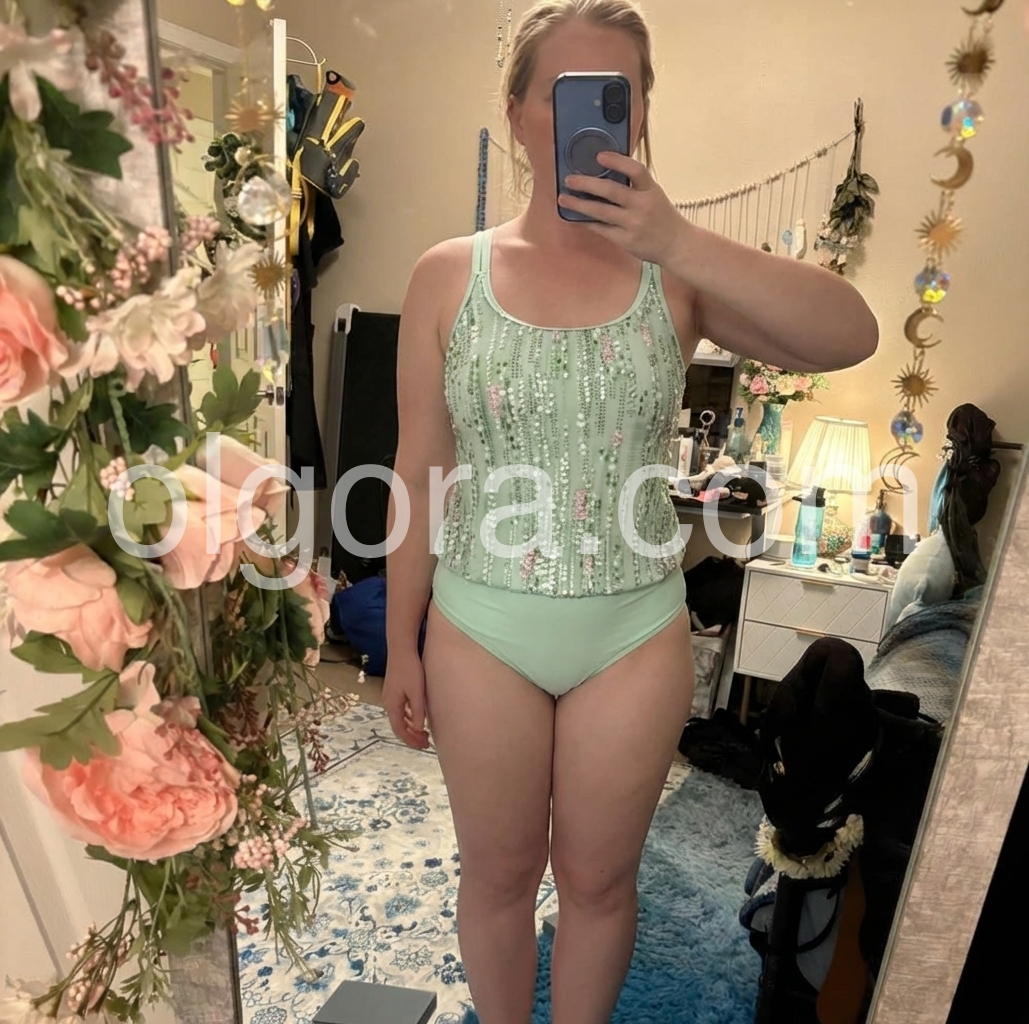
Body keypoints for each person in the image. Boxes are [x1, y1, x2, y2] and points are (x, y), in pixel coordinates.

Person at [383, 2, 878, 1022]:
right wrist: (399, 641)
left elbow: (851, 333)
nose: (593, 117)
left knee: (602, 884)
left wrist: (677, 237)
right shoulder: (446, 276)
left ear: (641, 112)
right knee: (497, 877)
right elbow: (418, 469)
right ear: (519, 112)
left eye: (618, 94)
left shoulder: (677, 277)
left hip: (632, 632)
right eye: (565, 94)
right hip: (480, 623)